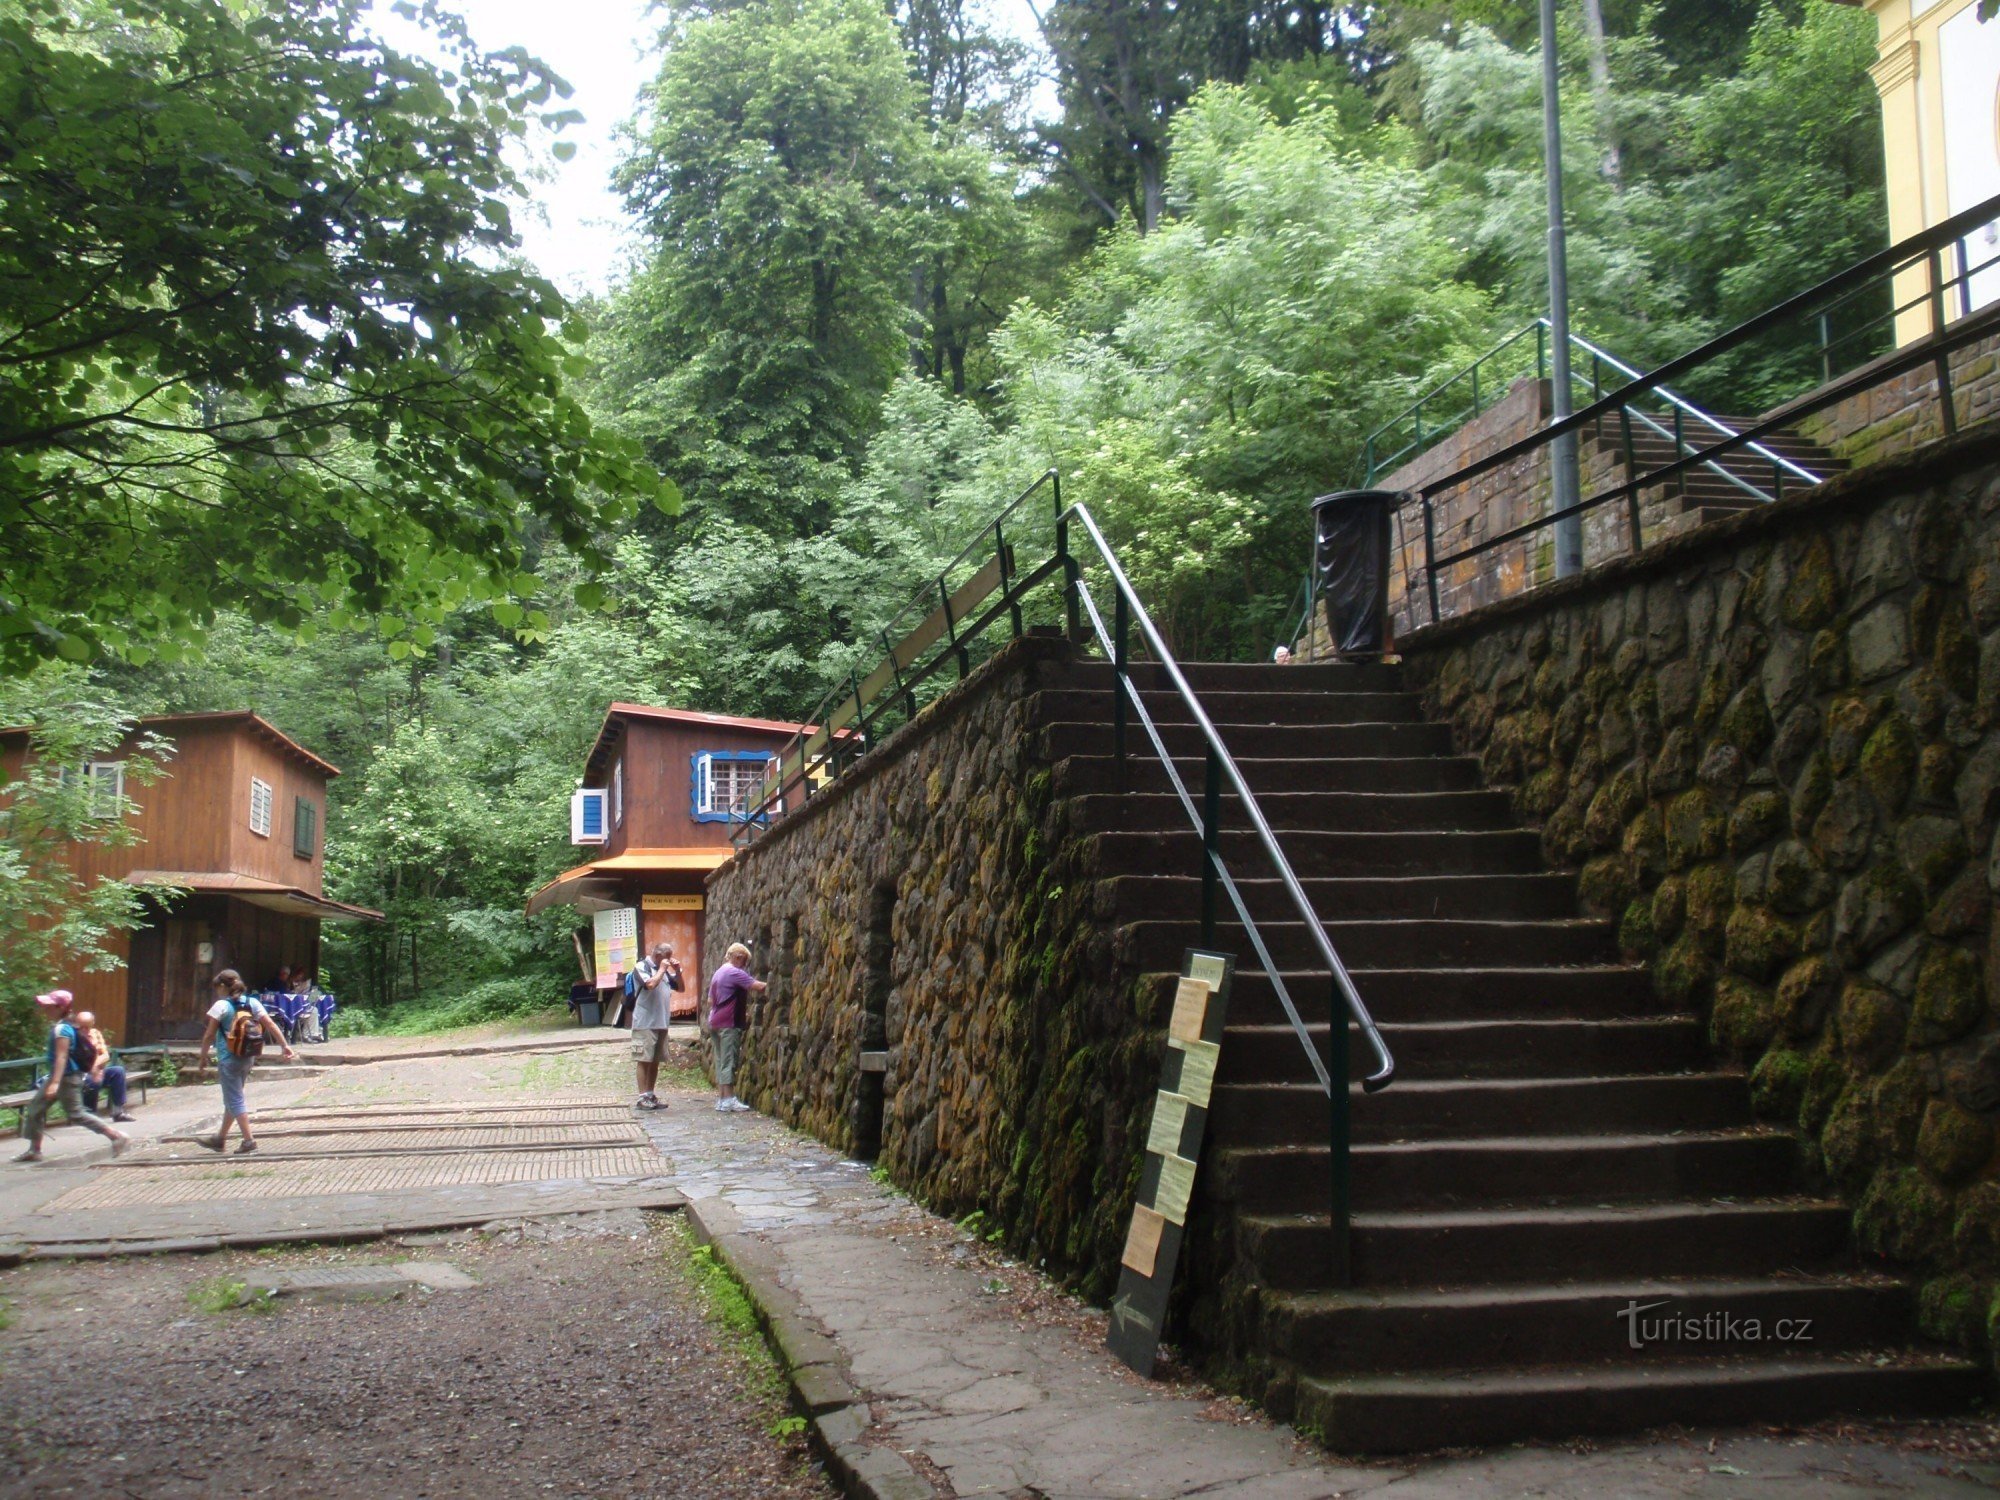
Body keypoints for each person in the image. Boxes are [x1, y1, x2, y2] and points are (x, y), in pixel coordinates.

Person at [15, 990, 127, 1163]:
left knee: (76, 1113)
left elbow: (62, 1056)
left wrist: (55, 1082)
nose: (45, 1009)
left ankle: (116, 1136)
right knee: (36, 1108)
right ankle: (34, 1150)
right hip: (60, 1076)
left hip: (66, 1077)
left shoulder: (62, 1029)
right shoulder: (66, 1025)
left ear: (60, 1008)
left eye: (49, 1006)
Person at [192, 969, 294, 1154]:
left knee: (235, 1099)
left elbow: (209, 1035)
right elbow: (270, 1024)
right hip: (248, 1056)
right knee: (233, 1098)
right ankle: (220, 1139)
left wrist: (203, 1057)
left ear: (223, 986)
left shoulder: (221, 1006)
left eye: (217, 988)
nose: (217, 992)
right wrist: (284, 1046)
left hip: (228, 1058)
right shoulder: (252, 1002)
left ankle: (249, 1141)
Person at [705, 943, 765, 1114]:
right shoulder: (734, 972)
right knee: (729, 1060)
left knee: (720, 1060)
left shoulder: (718, 972)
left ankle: (723, 1098)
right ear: (738, 957)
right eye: (745, 961)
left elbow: (710, 1000)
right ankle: (729, 1099)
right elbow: (758, 986)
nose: (745, 966)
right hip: (728, 1022)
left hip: (715, 1021)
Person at [628, 942, 682, 1112]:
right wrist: (661, 970)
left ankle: (651, 1094)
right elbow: (650, 985)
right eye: (667, 957)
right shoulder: (641, 966)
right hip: (645, 1022)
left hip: (661, 1021)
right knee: (644, 1059)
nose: (668, 960)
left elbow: (681, 988)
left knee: (655, 1060)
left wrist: (678, 971)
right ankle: (642, 1097)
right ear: (658, 956)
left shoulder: (664, 971)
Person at [73, 1010, 136, 1122]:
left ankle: (118, 1111)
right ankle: (90, 1114)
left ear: (92, 1023)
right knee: (91, 1079)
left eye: (87, 1027)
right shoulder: (73, 1037)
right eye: (81, 1027)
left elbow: (105, 1055)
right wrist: (92, 1069)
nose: (84, 1030)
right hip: (80, 1074)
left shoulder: (95, 1033)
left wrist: (95, 1067)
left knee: (118, 1071)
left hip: (97, 1071)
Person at [290, 966, 325, 1044]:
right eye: (298, 974)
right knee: (313, 1011)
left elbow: (315, 996)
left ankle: (314, 1034)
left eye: (301, 975)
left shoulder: (308, 983)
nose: (300, 976)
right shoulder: (289, 982)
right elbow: (290, 994)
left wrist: (312, 994)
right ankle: (307, 1035)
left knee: (314, 1009)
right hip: (292, 1007)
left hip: (304, 1005)